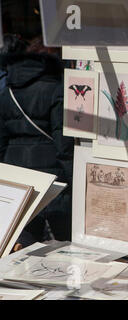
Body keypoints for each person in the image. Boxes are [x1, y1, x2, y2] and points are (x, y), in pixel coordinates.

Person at [0, 35, 74, 247]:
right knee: (59, 239)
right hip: (50, 171)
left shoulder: (7, 91)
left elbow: (1, 140)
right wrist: (73, 181)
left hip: (16, 170)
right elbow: (64, 144)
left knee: (21, 233)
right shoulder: (56, 90)